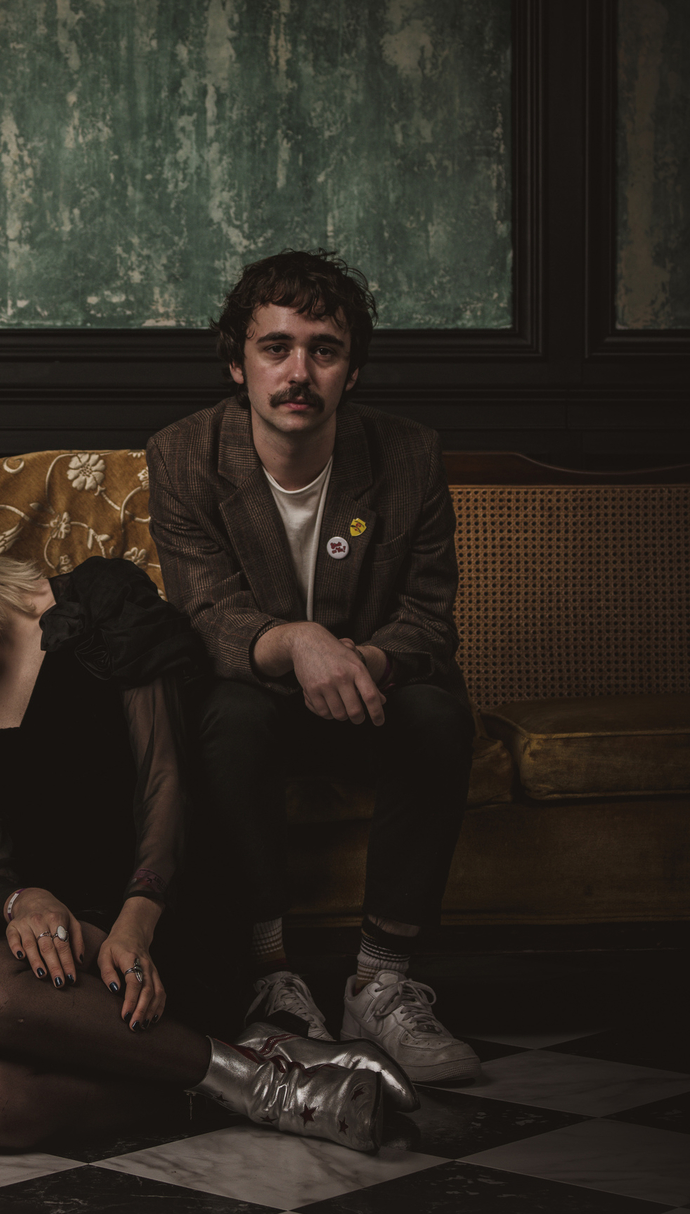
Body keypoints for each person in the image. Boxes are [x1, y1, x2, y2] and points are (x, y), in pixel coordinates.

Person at [0, 526, 419, 1153]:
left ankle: (254, 1077)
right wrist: (22, 901)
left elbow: (165, 778)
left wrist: (137, 919)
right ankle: (260, 1079)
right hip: (72, 944)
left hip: (168, 915)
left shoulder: (99, 598)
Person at [147, 249, 480, 1084]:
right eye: (276, 347)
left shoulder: (406, 454)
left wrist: (358, 658)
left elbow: (428, 617)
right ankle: (271, 978)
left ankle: (381, 982)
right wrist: (298, 642)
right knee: (224, 711)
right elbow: (208, 610)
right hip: (254, 699)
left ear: (351, 369)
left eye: (322, 350)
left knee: (440, 709)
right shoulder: (184, 454)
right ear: (238, 363)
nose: (298, 372)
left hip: (371, 695)